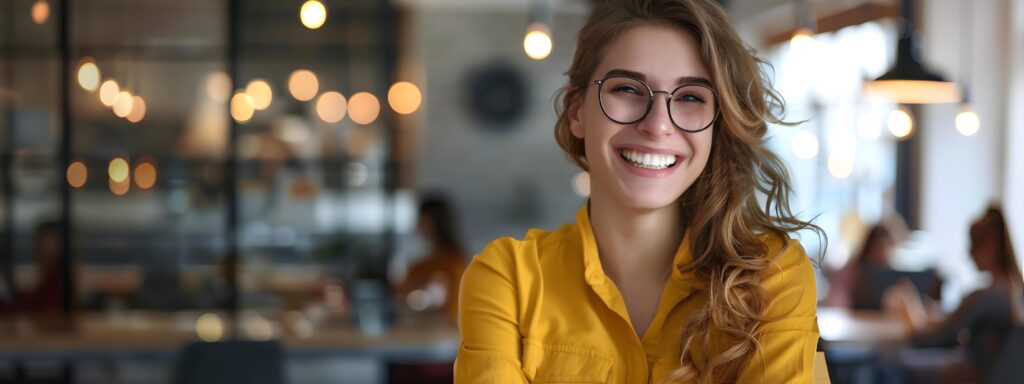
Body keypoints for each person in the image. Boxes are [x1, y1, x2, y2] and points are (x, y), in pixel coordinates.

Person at [455, 0, 824, 382]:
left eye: (691, 97)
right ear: (577, 111)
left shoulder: (773, 276)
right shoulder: (508, 279)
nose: (658, 124)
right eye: (629, 89)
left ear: (719, 124)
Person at [888, 206, 1024, 383]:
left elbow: (930, 339)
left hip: (971, 375)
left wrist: (910, 311)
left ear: (991, 243)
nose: (968, 254)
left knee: (890, 362)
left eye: (974, 244)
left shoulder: (986, 297)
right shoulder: (1015, 292)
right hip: (989, 375)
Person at [394, 195, 468, 320]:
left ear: (433, 221)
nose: (417, 225)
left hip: (448, 333)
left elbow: (454, 310)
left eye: (421, 219)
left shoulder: (454, 264)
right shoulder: (429, 263)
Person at [825, 224, 897, 308]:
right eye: (878, 246)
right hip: (853, 317)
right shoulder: (852, 269)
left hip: (879, 319)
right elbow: (836, 297)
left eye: (886, 247)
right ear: (869, 246)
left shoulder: (891, 275)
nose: (882, 252)